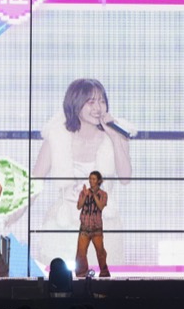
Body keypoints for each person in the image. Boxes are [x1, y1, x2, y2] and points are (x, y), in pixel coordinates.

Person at [33, 79, 133, 271]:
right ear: (76, 103)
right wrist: (10, 216)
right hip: (64, 225)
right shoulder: (57, 137)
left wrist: (114, 137)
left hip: (104, 224)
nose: (98, 108)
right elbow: (35, 183)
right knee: (61, 282)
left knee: (104, 280)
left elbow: (126, 177)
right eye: (91, 102)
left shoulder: (116, 136)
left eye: (102, 101)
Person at [75, 170, 109, 278]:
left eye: (93, 179)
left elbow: (101, 206)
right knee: (81, 253)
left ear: (98, 181)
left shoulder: (103, 194)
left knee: (100, 252)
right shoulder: (84, 192)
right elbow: (79, 206)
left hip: (96, 228)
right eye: (90, 178)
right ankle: (81, 274)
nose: (91, 181)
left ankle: (104, 273)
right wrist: (85, 195)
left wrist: (94, 195)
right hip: (84, 228)